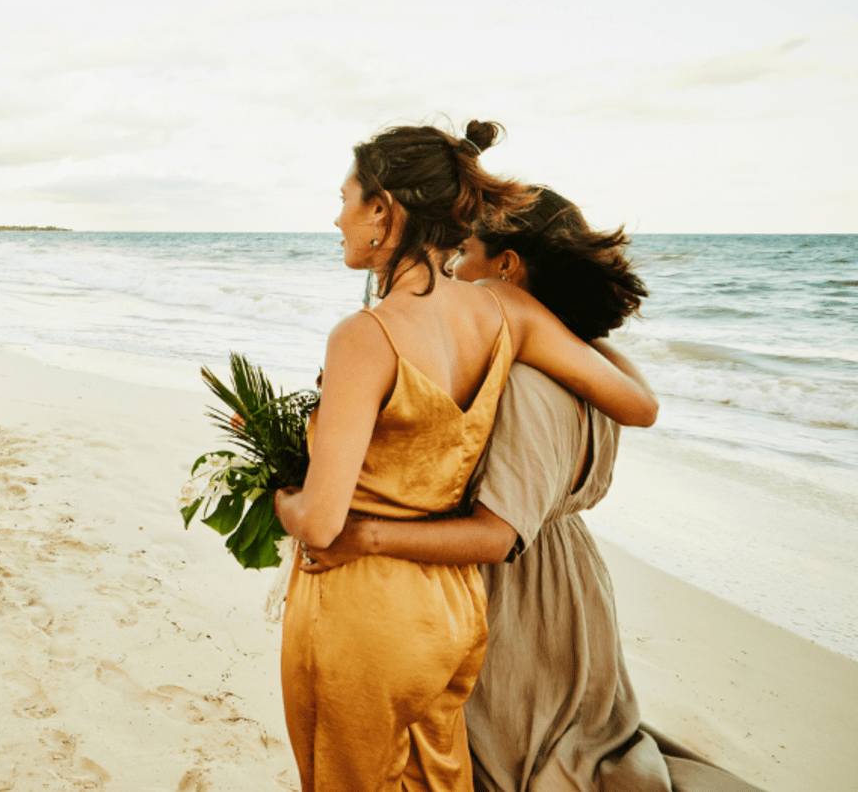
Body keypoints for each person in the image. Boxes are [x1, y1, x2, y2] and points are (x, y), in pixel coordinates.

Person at [301, 189, 764, 792]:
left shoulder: (525, 382)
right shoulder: (590, 364)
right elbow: (643, 406)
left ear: (506, 268)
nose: (452, 268)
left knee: (514, 759)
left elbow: (496, 535)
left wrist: (367, 534)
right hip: (570, 580)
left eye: (465, 253)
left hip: (521, 595)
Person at [272, 120, 660, 792]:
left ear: (382, 211)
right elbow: (639, 405)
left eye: (344, 199)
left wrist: (279, 497)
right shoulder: (507, 313)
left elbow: (325, 523)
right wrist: (577, 334)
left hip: (368, 611)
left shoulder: (364, 337)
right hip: (454, 614)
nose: (336, 218)